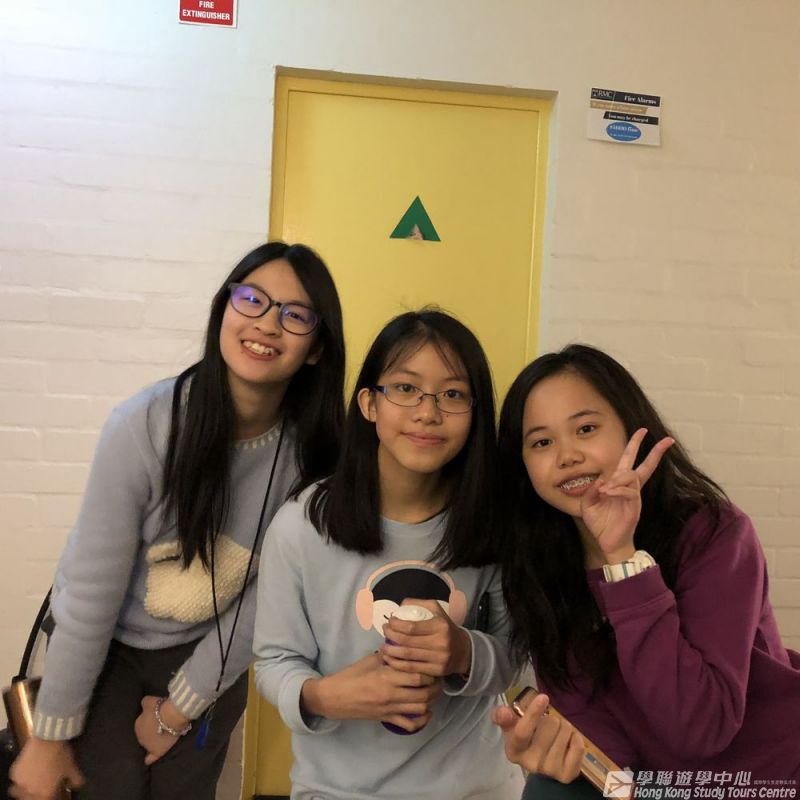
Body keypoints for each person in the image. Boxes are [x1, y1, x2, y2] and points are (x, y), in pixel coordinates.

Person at [9, 242, 346, 800]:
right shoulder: (143, 426)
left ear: (316, 349)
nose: (267, 323)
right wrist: (50, 736)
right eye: (252, 299)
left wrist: (179, 707)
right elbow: (92, 593)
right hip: (109, 645)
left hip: (210, 648)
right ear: (224, 309)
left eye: (295, 314)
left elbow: (267, 599)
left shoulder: (314, 458)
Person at [491, 344, 800, 796]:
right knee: (551, 787)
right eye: (542, 442)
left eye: (586, 428)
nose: (567, 455)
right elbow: (607, 751)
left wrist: (623, 560)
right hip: (658, 785)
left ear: (631, 429)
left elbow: (702, 728)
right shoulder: (540, 566)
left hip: (764, 779)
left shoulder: (713, 533)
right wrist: (563, 755)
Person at [253, 309, 523, 800]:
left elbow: (517, 658)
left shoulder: (496, 524)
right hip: (336, 790)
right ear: (369, 404)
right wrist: (325, 696)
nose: (428, 412)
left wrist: (462, 651)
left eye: (453, 394)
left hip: (477, 788)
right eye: (405, 388)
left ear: (476, 413)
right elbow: (274, 660)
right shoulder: (301, 526)